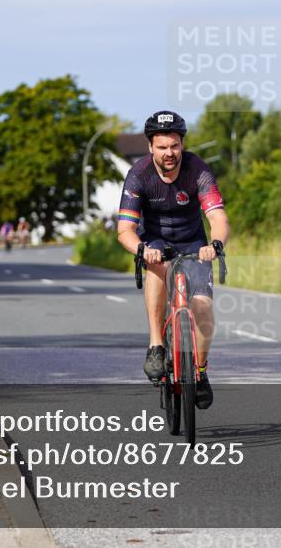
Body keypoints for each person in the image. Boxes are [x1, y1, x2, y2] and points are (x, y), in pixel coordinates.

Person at [116, 110, 229, 409]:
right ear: (151, 147)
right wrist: (141, 249)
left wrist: (215, 244)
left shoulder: (198, 170)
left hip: (194, 242)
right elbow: (125, 229)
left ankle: (201, 372)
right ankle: (156, 343)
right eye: (163, 146)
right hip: (155, 242)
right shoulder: (138, 175)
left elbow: (217, 216)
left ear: (182, 145)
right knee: (156, 266)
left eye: (175, 145)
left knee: (202, 307)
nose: (169, 153)